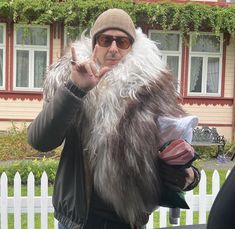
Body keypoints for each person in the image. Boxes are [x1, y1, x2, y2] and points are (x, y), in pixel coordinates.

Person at [28, 8, 200, 229]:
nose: (113, 48)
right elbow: (40, 141)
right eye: (105, 40)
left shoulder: (151, 90)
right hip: (80, 220)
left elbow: (177, 151)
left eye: (122, 42)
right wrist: (75, 89)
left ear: (132, 47)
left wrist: (188, 175)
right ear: (94, 45)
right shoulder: (70, 79)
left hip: (129, 220)